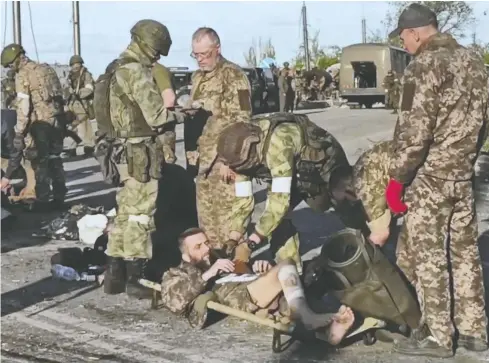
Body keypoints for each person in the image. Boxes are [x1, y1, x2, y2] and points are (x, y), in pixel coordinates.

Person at [385, 3, 488, 357]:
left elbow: (415, 133)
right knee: (464, 253)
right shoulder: (473, 61)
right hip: (461, 174)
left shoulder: (423, 66)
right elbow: (484, 121)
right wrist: (468, 159)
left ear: (414, 32)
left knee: (431, 256)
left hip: (429, 178)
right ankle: (474, 330)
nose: (405, 45)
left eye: (404, 38)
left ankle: (439, 336)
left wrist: (397, 180)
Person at [98, 19, 186, 298]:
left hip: (120, 151)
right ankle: (138, 277)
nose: (157, 57)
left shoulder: (113, 69)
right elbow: (157, 117)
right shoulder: (136, 71)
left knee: (124, 211)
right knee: (140, 214)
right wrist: (184, 113)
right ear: (145, 45)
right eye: (156, 51)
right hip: (139, 153)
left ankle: (115, 271)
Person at [160, 227, 355, 344]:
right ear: (185, 254)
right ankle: (310, 318)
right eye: (198, 247)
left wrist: (259, 269)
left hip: (252, 286)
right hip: (240, 297)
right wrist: (208, 274)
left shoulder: (218, 259)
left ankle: (328, 334)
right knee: (287, 263)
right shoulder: (176, 274)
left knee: (311, 275)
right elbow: (175, 302)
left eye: (206, 243)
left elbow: (242, 270)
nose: (207, 249)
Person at [215, 113, 350, 272]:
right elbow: (243, 200)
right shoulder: (240, 157)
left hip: (322, 165)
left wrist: (251, 243)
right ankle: (291, 272)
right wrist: (234, 237)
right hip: (285, 171)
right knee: (277, 223)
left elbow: (279, 202)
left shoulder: (278, 143)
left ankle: (369, 248)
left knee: (348, 205)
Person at [188, 27, 252, 251]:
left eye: (204, 54)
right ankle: (215, 266)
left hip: (224, 160)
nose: (200, 60)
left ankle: (238, 268)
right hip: (203, 160)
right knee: (207, 221)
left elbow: (242, 120)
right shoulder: (197, 78)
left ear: (217, 49)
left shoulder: (234, 76)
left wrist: (229, 160)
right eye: (195, 55)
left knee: (230, 220)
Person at [0, 43, 67, 211]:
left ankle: (43, 200)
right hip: (56, 120)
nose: (10, 68)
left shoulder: (23, 75)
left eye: (9, 65)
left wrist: (19, 132)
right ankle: (59, 197)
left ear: (15, 61)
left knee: (39, 161)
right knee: (55, 158)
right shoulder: (45, 69)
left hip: (40, 124)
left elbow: (24, 107)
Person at [66, 55, 95, 155]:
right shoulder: (70, 76)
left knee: (85, 127)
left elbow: (90, 89)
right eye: (73, 65)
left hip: (82, 104)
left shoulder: (86, 75)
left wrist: (78, 93)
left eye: (76, 65)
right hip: (72, 104)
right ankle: (72, 148)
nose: (75, 67)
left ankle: (89, 147)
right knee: (71, 127)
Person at [152, 62, 177, 164]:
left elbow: (169, 99)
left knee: (165, 165)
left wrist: (159, 123)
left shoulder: (158, 71)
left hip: (162, 128)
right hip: (156, 126)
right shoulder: (149, 70)